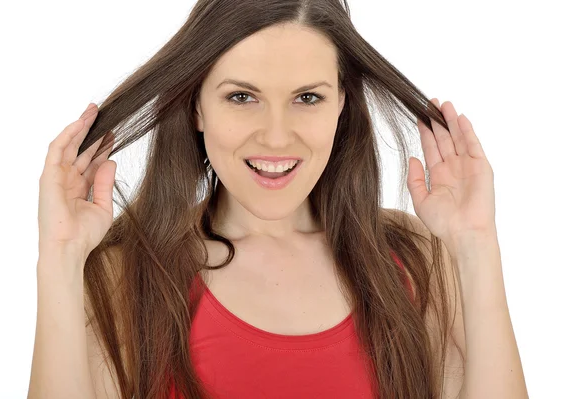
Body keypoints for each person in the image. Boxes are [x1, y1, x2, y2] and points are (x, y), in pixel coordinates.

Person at [28, 1, 528, 398]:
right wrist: (60, 257)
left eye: (307, 98)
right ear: (196, 106)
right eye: (241, 97)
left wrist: (475, 242)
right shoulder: (125, 275)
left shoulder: (414, 260)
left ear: (341, 107)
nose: (275, 137)